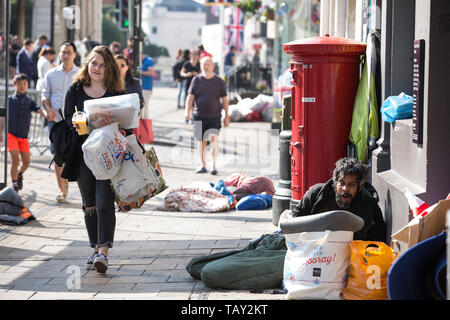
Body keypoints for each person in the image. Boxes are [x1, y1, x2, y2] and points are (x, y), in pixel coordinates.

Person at [63, 45, 124, 274]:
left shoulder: (115, 92)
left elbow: (126, 123)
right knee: (89, 204)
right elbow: (68, 118)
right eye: (93, 63)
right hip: (81, 155)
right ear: (87, 64)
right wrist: (83, 122)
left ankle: (103, 252)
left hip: (107, 156)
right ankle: (94, 246)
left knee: (104, 202)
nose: (97, 68)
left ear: (109, 68)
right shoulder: (76, 90)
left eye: (102, 65)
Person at [290, 157, 387, 242]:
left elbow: (378, 236)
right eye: (342, 183)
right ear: (335, 183)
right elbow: (296, 218)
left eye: (351, 185)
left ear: (360, 187)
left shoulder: (368, 203)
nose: (345, 189)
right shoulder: (316, 194)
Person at [41, 41, 79, 203]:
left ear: (75, 55)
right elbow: (44, 95)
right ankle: (61, 190)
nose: (66, 55)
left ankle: (67, 182)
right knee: (57, 155)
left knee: (71, 155)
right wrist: (48, 109)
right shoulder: (51, 74)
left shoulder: (80, 75)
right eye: (63, 52)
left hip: (74, 121)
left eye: (69, 52)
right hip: (55, 121)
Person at [0, 74, 49, 192]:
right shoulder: (9, 100)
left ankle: (19, 174)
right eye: (19, 84)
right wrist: (0, 133)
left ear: (27, 85)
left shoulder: (29, 101)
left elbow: (39, 110)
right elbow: (2, 117)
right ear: (14, 85)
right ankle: (15, 184)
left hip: (23, 137)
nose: (22, 86)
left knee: (26, 163)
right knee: (15, 159)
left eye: (24, 84)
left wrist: (47, 115)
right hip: (11, 134)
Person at [185, 56, 230, 175]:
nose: (206, 66)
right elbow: (190, 98)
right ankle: (203, 164)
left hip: (214, 116)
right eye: (204, 64)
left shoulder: (219, 81)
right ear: (201, 66)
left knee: (213, 139)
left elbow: (225, 100)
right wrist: (187, 112)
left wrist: (227, 116)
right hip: (198, 116)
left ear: (213, 66)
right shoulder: (196, 80)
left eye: (208, 64)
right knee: (201, 141)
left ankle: (213, 165)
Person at [140, 52, 155, 119]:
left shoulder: (148, 60)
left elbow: (151, 72)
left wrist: (140, 72)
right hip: (142, 87)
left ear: (142, 54)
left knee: (144, 106)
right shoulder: (142, 61)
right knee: (142, 106)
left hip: (146, 87)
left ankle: (145, 123)